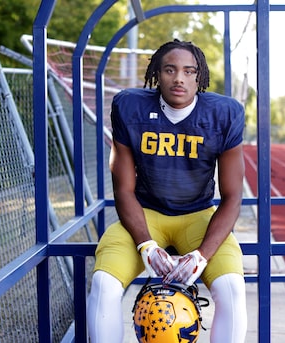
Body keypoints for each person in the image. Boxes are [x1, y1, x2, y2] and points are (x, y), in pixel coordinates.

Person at [87, 39, 247, 343]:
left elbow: (232, 197)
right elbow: (123, 189)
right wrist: (146, 245)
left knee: (232, 289)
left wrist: (202, 256)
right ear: (156, 74)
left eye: (189, 71)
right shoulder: (129, 106)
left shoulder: (223, 114)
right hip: (145, 215)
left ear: (200, 77)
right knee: (104, 284)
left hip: (198, 216)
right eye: (170, 70)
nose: (179, 79)